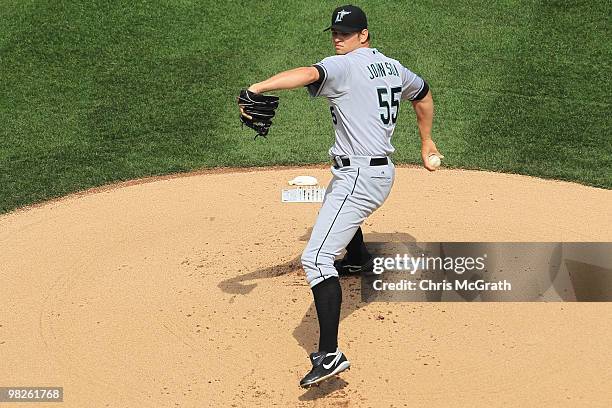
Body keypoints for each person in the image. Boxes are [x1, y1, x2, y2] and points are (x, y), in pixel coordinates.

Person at [240, 4, 442, 388]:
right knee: (339, 203)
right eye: (335, 32)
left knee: (315, 259)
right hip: (375, 172)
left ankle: (330, 354)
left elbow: (309, 74)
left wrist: (257, 87)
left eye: (346, 33)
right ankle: (358, 258)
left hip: (360, 176)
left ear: (363, 35)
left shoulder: (345, 66)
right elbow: (424, 94)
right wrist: (427, 140)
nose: (338, 38)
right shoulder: (392, 66)